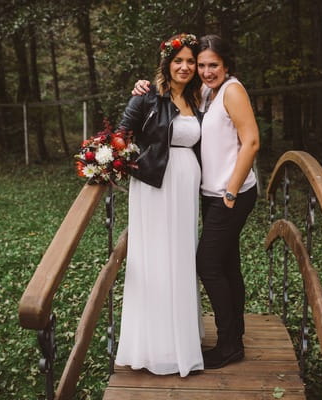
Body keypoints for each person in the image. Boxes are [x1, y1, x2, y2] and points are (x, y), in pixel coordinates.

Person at [132, 34, 260, 369]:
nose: (204, 70)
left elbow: (252, 142)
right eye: (201, 65)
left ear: (226, 65)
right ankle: (236, 336)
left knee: (207, 264)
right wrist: (143, 85)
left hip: (231, 194)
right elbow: (167, 96)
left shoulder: (232, 90)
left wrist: (231, 190)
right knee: (228, 264)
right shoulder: (205, 93)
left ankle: (228, 344)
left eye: (211, 65)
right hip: (211, 193)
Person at [114, 33, 204, 377]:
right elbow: (121, 134)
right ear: (167, 63)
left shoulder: (198, 97)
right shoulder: (148, 95)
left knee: (181, 257)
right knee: (155, 256)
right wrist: (116, 161)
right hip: (154, 183)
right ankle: (153, 345)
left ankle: (182, 337)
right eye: (178, 60)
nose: (185, 67)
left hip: (186, 184)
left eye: (190, 61)